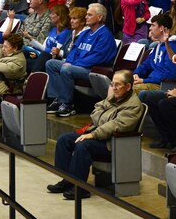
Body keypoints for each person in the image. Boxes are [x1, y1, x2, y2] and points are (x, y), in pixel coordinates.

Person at [46, 70, 144, 200]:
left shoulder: (134, 105)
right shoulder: (113, 98)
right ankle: (68, 180)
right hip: (101, 136)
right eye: (112, 84)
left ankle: (81, 188)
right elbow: (95, 112)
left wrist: (94, 133)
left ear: (128, 86)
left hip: (114, 144)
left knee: (83, 145)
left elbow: (116, 125)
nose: (114, 88)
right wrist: (102, 123)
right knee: (64, 139)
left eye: (118, 85)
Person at [45, 3, 117, 117]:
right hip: (78, 65)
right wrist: (69, 61)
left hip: (91, 70)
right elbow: (74, 50)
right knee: (51, 64)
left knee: (67, 70)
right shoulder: (86, 33)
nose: (86, 17)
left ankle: (67, 104)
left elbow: (97, 58)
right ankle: (57, 99)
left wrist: (73, 64)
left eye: (89, 15)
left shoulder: (105, 35)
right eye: (87, 14)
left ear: (100, 17)